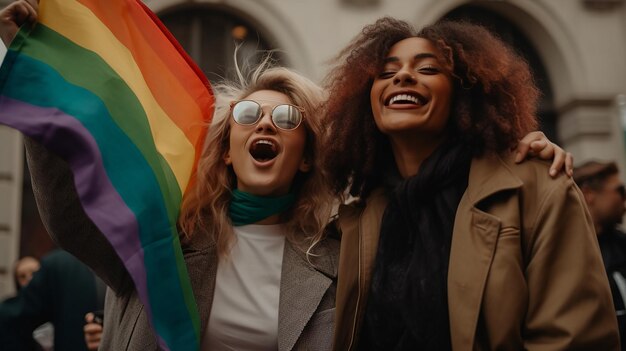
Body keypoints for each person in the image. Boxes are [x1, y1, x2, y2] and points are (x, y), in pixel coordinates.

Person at [323, 18, 618, 350]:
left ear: (466, 94)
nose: (403, 77)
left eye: (429, 69)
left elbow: (576, 338)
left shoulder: (537, 186)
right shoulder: (356, 217)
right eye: (386, 74)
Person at [0, 249, 106, 351]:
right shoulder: (62, 267)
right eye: (22, 276)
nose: (29, 279)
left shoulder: (61, 266)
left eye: (33, 273)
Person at [574, 160, 626, 349]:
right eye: (619, 191)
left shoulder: (621, 243)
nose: (624, 199)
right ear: (589, 195)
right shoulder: (568, 256)